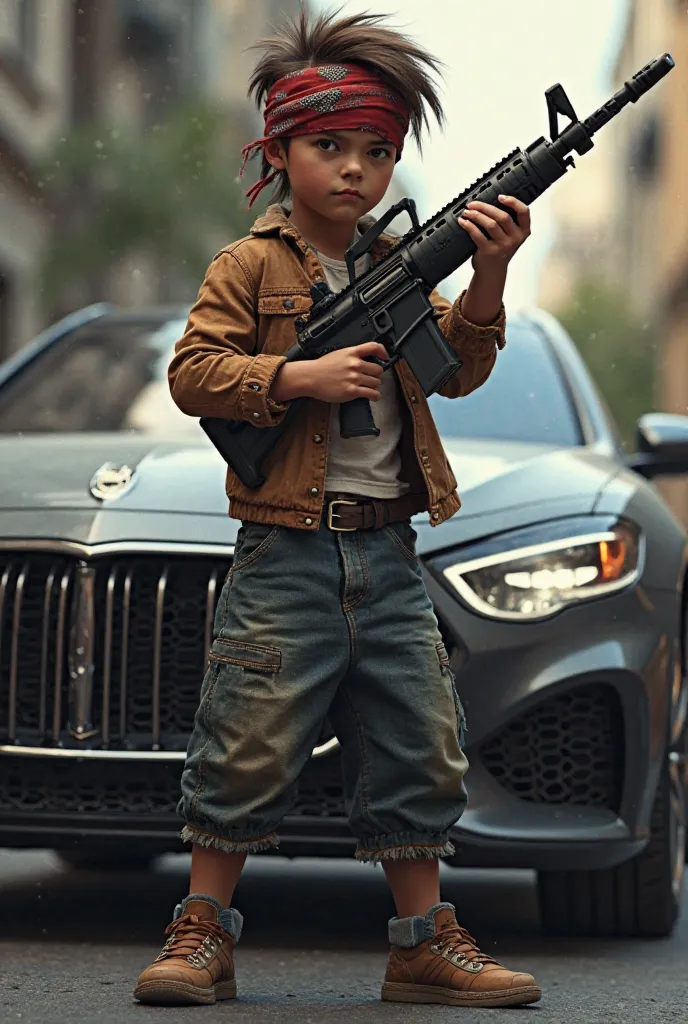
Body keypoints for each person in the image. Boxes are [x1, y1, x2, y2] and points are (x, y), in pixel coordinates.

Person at [134, 5, 539, 1010]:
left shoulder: (396, 261)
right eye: (328, 146)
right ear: (278, 151)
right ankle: (201, 932)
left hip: (387, 552)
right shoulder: (250, 266)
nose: (355, 169)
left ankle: (422, 939)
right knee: (245, 738)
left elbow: (461, 368)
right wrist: (297, 377)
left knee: (415, 740)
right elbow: (193, 372)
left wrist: (487, 269)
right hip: (285, 550)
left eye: (376, 150)